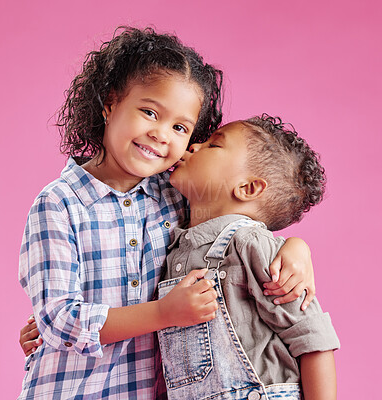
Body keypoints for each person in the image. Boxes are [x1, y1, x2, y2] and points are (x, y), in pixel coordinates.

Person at [18, 26, 317, 399]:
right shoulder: (59, 204)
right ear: (110, 103)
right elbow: (59, 321)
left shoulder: (177, 197)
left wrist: (295, 248)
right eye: (149, 111)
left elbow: (241, 218)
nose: (162, 134)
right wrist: (162, 313)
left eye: (179, 127)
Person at [157, 115, 340, 400]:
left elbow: (312, 339)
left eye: (213, 145)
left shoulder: (250, 245)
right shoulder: (178, 245)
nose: (193, 146)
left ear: (248, 188)